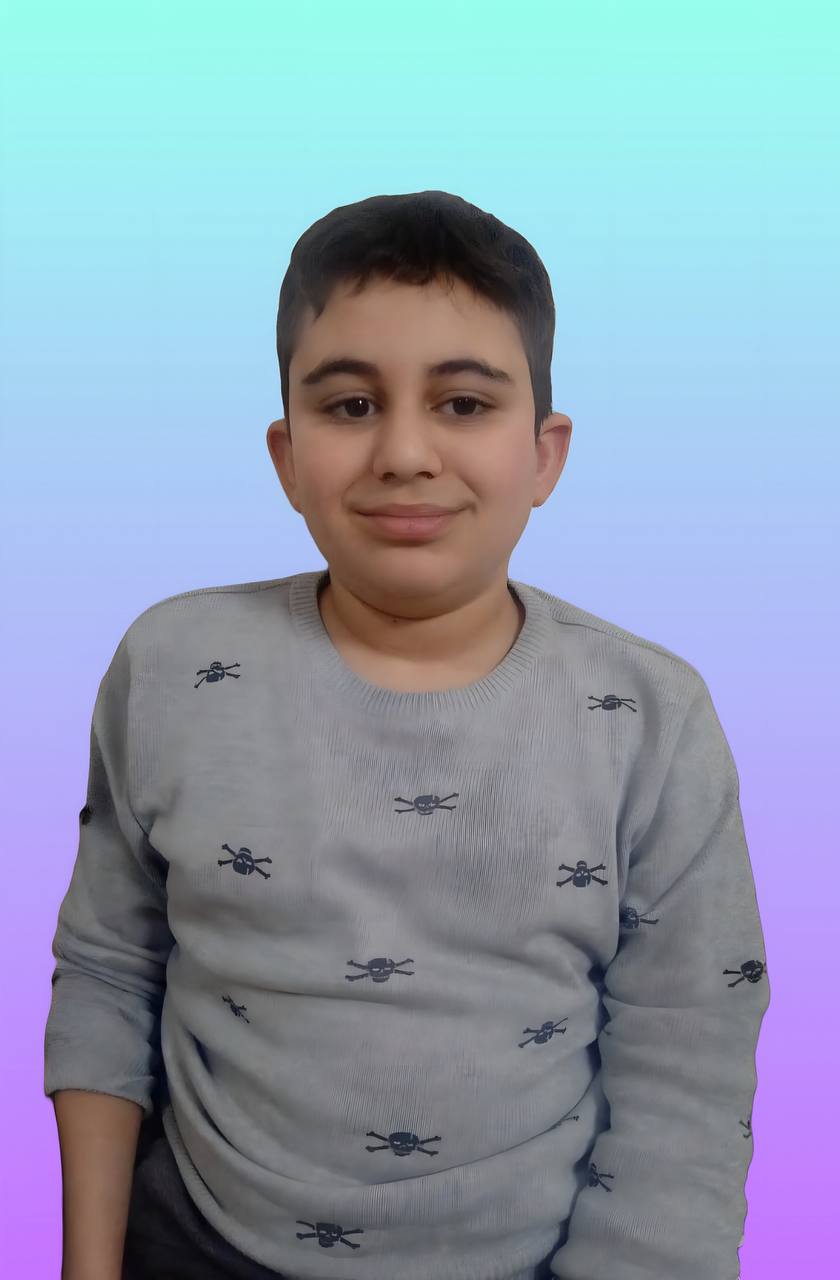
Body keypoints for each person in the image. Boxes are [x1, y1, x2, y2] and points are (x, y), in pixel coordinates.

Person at [44, 190, 770, 1280]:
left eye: (464, 403)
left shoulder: (652, 715)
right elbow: (108, 971)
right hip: (195, 1239)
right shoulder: (175, 665)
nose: (405, 451)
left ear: (545, 453)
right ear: (287, 454)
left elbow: (690, 1059)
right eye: (350, 405)